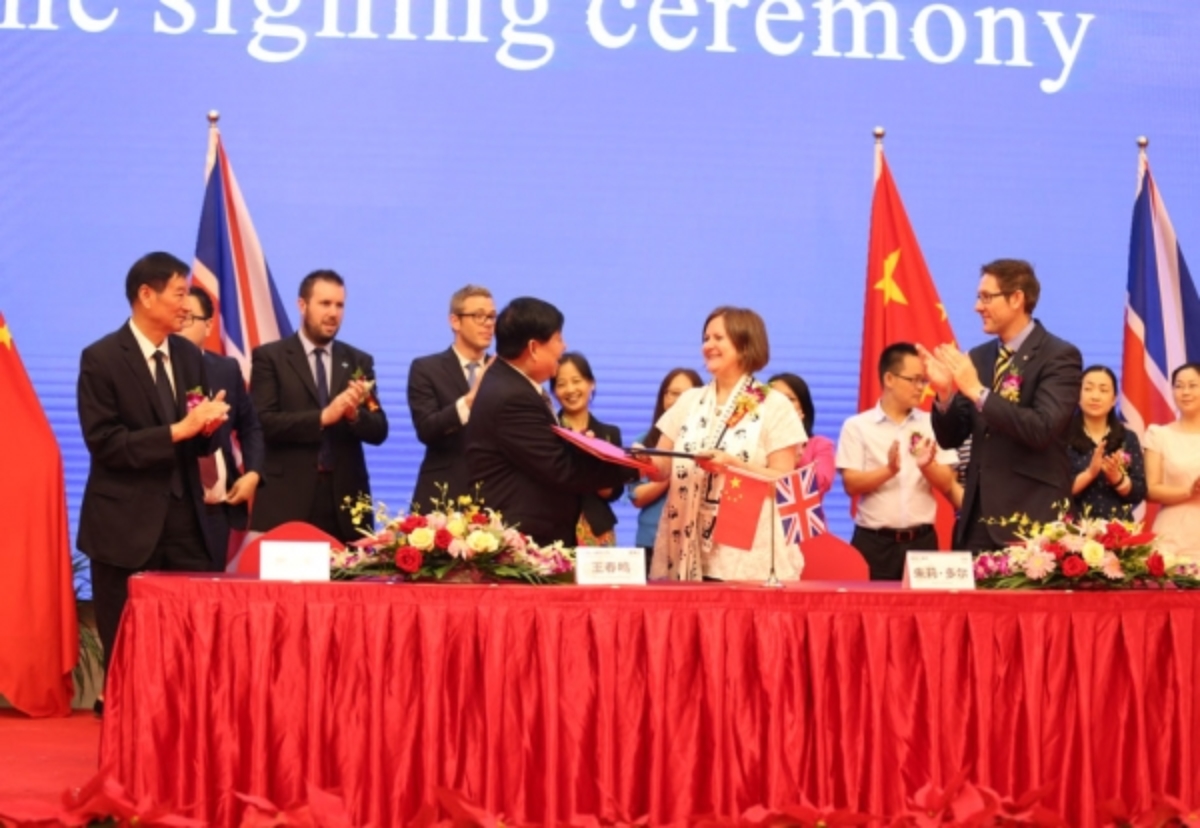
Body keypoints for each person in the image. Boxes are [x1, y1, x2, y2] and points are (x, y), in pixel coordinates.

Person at [76, 252, 231, 700]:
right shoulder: (101, 358)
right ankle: (128, 753)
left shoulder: (188, 355)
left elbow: (194, 439)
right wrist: (177, 431)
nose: (187, 305)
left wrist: (206, 430)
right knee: (127, 651)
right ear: (146, 295)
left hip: (186, 527)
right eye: (179, 294)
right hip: (124, 530)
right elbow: (105, 444)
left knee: (191, 647)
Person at [923, 259, 1082, 552]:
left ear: (1017, 298)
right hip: (976, 522)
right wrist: (945, 395)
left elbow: (1042, 428)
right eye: (978, 297)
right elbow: (951, 437)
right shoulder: (980, 357)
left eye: (986, 297)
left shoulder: (1059, 356)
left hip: (1032, 521)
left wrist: (977, 391)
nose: (977, 307)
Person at [465, 297, 648, 546]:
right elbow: (560, 469)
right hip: (524, 541)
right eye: (558, 338)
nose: (564, 347)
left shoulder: (510, 384)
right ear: (533, 348)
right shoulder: (513, 396)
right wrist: (636, 466)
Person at [646, 307, 806, 582]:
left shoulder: (774, 404)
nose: (708, 345)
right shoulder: (689, 401)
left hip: (745, 546)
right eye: (705, 338)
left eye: (718, 338)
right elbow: (661, 467)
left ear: (745, 343)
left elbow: (785, 482)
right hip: (686, 538)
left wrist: (734, 465)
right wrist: (632, 459)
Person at [250, 270, 388, 543]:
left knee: (347, 584)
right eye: (325, 304)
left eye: (339, 305)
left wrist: (352, 415)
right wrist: (324, 417)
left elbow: (379, 429)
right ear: (302, 305)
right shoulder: (271, 358)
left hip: (346, 500)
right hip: (287, 498)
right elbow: (264, 422)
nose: (333, 313)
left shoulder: (359, 361)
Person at [836, 343, 959, 580]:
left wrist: (927, 466)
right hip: (874, 543)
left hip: (921, 542)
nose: (921, 388)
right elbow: (851, 485)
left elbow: (946, 484)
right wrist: (889, 470)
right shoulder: (857, 426)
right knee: (872, 614)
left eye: (923, 381)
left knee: (925, 615)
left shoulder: (933, 423)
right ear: (889, 378)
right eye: (914, 380)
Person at [180, 287, 265, 569]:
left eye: (188, 317)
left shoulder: (226, 369)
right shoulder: (159, 371)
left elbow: (250, 426)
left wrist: (252, 472)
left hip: (217, 504)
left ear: (209, 324)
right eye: (177, 316)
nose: (179, 324)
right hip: (177, 503)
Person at [407, 285, 495, 511]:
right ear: (455, 321)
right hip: (441, 495)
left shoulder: (503, 372)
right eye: (478, 316)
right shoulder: (426, 369)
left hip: (495, 496)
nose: (488, 323)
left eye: (492, 316)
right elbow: (427, 428)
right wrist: (470, 400)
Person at [628, 368, 703, 564]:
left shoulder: (708, 446)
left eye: (687, 395)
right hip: (650, 539)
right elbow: (637, 497)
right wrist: (670, 470)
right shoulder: (644, 442)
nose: (680, 402)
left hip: (694, 542)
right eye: (674, 394)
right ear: (663, 397)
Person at [552, 352, 623, 546]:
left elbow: (614, 492)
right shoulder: (548, 433)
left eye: (577, 381)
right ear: (553, 391)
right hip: (554, 530)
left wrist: (593, 457)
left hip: (597, 530)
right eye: (561, 384)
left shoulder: (609, 434)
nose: (570, 389)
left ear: (591, 383)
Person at [1067, 365, 1146, 521]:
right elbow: (1055, 492)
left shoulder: (1127, 438)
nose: (1095, 396)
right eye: (1088, 389)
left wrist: (1117, 479)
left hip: (1118, 533)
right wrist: (1090, 474)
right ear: (1078, 395)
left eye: (1103, 390)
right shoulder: (1061, 437)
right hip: (1073, 531)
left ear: (1114, 399)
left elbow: (1139, 492)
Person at [1144, 363, 1200, 561]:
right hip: (1173, 535)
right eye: (1179, 386)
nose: (1185, 392)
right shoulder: (1159, 435)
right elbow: (1151, 490)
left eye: (1193, 385)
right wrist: (1188, 492)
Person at [768, 372, 835, 496]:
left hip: (803, 514)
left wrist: (796, 442)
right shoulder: (755, 442)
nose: (782, 404)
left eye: (790, 399)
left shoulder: (820, 445)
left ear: (803, 407)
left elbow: (820, 484)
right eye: (776, 398)